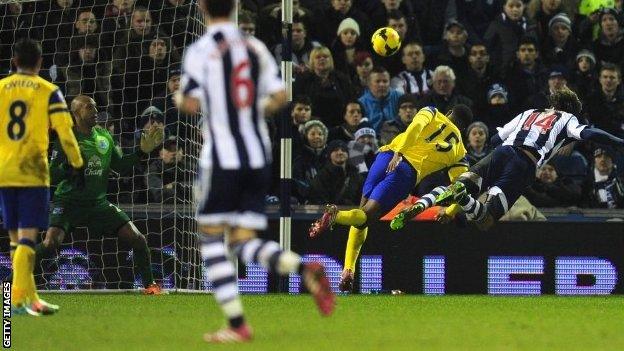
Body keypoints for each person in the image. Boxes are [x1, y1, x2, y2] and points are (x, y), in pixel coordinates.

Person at [174, 0, 334, 343]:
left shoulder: (201, 50)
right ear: (234, 7)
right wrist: (248, 108)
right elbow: (280, 96)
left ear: (202, 7)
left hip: (222, 158)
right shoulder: (254, 46)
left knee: (211, 238)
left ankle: (236, 324)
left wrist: (204, 102)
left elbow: (187, 102)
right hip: (258, 156)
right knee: (242, 241)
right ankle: (304, 268)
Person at [398, 88, 624, 231]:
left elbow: (497, 138)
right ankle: (464, 200)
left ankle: (424, 203)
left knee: (460, 184)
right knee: (484, 221)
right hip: (523, 164)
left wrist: (490, 164)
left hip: (502, 152)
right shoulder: (568, 118)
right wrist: (620, 142)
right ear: (570, 110)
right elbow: (591, 134)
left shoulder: (530, 112)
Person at [309, 104, 474, 291]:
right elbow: (461, 188)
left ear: (449, 112)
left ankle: (348, 269)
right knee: (367, 215)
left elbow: (416, 126)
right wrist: (451, 211)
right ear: (463, 128)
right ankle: (335, 216)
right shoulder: (459, 151)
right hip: (406, 172)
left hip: (386, 155)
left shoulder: (433, 111)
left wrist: (399, 152)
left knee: (361, 217)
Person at [36, 95, 165, 294]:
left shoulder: (104, 136)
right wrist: (68, 168)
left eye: (95, 107)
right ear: (76, 113)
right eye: (89, 107)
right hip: (69, 202)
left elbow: (121, 166)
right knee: (51, 243)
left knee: (138, 239)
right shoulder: (66, 138)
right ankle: (10, 282)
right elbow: (51, 175)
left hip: (98, 205)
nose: (95, 111)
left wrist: (141, 152)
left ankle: (150, 286)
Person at [0, 39, 83, 315]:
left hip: (4, 172)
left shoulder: (0, 89)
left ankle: (30, 299)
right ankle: (14, 302)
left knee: (15, 241)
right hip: (32, 173)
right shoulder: (49, 91)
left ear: (14, 61)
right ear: (39, 62)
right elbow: (65, 132)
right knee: (27, 240)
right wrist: (77, 163)